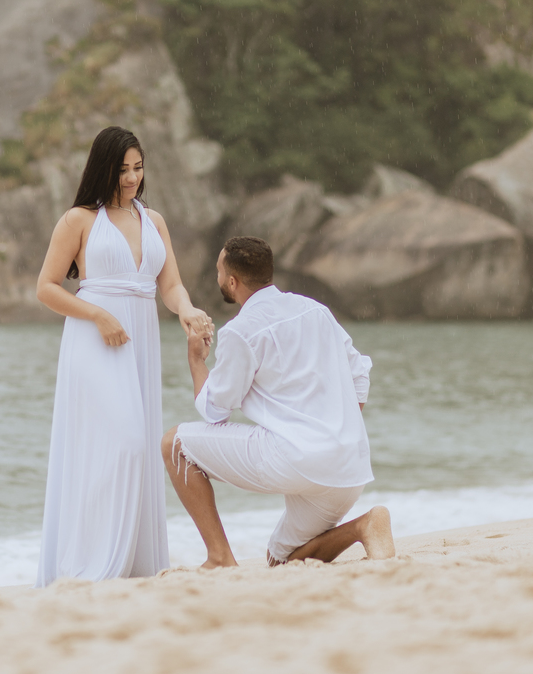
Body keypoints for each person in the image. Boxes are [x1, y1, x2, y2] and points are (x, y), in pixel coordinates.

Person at [35, 126, 213, 586]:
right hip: (93, 341)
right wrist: (97, 314)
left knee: (135, 447)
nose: (133, 178)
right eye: (123, 169)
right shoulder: (78, 220)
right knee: (124, 443)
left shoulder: (153, 221)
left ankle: (129, 563)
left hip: (140, 341)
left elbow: (170, 286)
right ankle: (91, 564)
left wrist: (188, 311)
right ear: (104, 169)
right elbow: (46, 288)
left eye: (138, 168)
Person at [162, 236, 396, 568]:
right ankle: (364, 525)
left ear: (232, 281)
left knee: (174, 444)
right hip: (349, 467)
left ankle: (219, 556)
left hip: (296, 460)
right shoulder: (316, 310)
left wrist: (197, 360)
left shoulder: (240, 331)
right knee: (280, 559)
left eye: (219, 272)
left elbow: (215, 410)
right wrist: (333, 432)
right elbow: (360, 377)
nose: (218, 278)